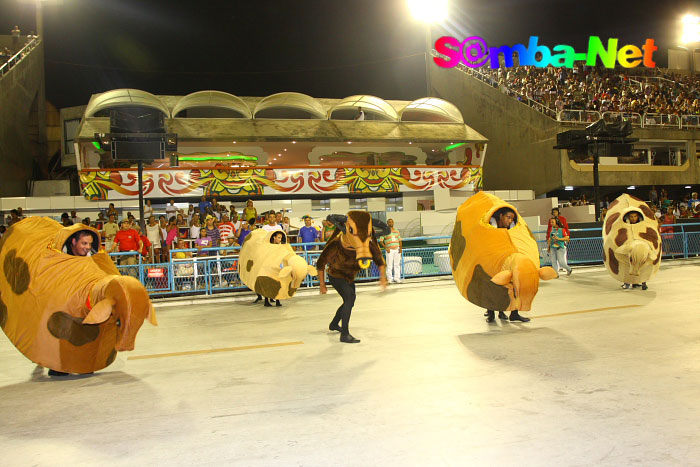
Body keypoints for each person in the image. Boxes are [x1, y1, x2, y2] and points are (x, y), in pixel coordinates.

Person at [316, 213, 387, 344]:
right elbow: (320, 264)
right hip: (336, 275)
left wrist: (383, 278)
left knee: (350, 301)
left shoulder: (366, 244)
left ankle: (334, 323)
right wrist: (322, 284)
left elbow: (379, 261)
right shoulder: (336, 245)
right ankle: (345, 334)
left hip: (349, 277)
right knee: (349, 299)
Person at [485, 207, 530, 323]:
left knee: (513, 286)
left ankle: (513, 313)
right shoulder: (492, 226)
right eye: (508, 217)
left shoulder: (511, 230)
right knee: (492, 286)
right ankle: (491, 312)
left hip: (507, 262)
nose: (509, 221)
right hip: (493, 263)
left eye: (511, 219)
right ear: (501, 216)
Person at [256, 232, 284, 307]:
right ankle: (266, 300)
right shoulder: (268, 246)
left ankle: (277, 300)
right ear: (274, 237)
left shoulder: (279, 246)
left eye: (280, 238)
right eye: (278, 237)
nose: (280, 239)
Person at [621, 211, 648, 290]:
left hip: (640, 247)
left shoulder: (642, 225)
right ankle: (627, 283)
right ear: (628, 217)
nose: (633, 218)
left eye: (635, 216)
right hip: (629, 248)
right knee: (628, 265)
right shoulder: (625, 225)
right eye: (631, 217)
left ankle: (643, 282)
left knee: (642, 265)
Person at [380, 218, 403, 284]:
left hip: (397, 249)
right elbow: (381, 241)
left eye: (392, 222)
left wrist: (400, 249)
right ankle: (390, 279)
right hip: (389, 250)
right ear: (387, 223)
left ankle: (397, 278)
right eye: (389, 222)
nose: (391, 223)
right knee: (389, 265)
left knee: (397, 264)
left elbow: (400, 240)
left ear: (393, 223)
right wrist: (386, 248)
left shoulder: (396, 231)